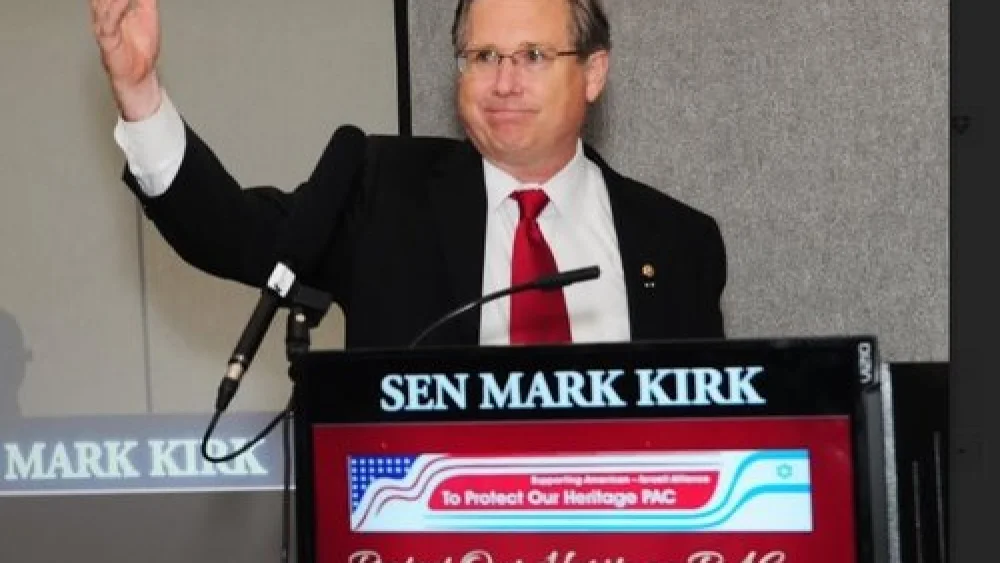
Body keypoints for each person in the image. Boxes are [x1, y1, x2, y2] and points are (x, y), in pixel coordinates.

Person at [89, 0, 727, 349]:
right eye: (481, 56)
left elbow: (713, 437)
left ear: (592, 72)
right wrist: (139, 89)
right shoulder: (384, 196)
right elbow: (231, 234)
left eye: (533, 55)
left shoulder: (676, 243)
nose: (504, 82)